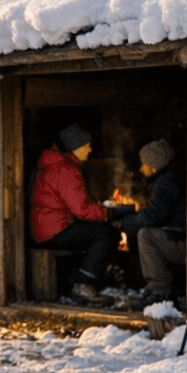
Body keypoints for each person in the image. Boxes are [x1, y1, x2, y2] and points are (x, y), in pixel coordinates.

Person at [29, 124, 121, 304]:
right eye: (87, 144)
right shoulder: (65, 170)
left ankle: (85, 276)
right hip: (54, 230)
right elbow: (82, 210)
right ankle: (83, 284)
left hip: (45, 228)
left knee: (94, 231)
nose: (90, 149)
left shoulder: (54, 165)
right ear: (76, 146)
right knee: (106, 233)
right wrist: (108, 213)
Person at [121, 139, 185, 304]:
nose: (142, 168)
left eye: (144, 163)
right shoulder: (171, 177)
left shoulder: (166, 182)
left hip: (184, 243)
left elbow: (155, 216)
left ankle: (160, 291)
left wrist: (128, 222)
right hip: (180, 236)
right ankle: (157, 288)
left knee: (145, 235)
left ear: (155, 164)